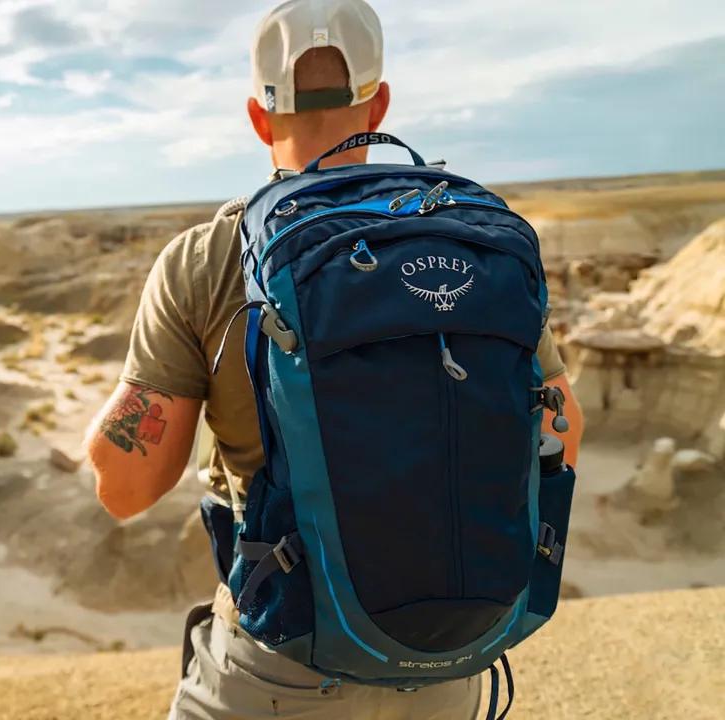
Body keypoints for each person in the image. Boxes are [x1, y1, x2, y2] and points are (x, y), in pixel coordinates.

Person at [85, 1, 585, 717]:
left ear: (259, 117)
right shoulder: (468, 240)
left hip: (277, 663)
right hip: (450, 665)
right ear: (380, 105)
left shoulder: (208, 258)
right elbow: (564, 430)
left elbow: (126, 487)